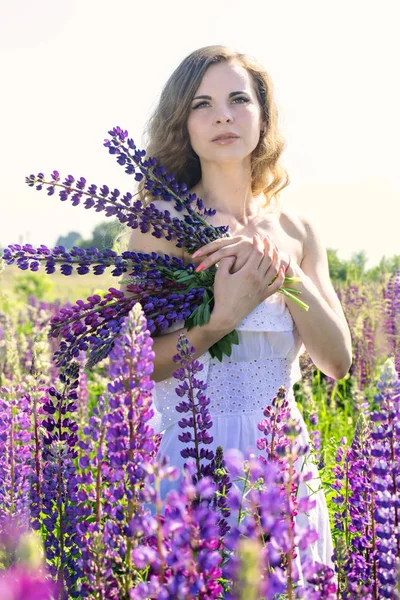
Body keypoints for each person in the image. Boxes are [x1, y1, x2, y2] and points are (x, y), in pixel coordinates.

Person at [121, 45, 352, 575]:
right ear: (185, 124)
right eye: (202, 103)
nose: (223, 115)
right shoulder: (162, 224)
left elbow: (336, 362)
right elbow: (140, 365)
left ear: (262, 116)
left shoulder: (297, 232)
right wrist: (222, 319)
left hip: (282, 465)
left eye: (238, 99)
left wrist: (283, 270)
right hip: (190, 461)